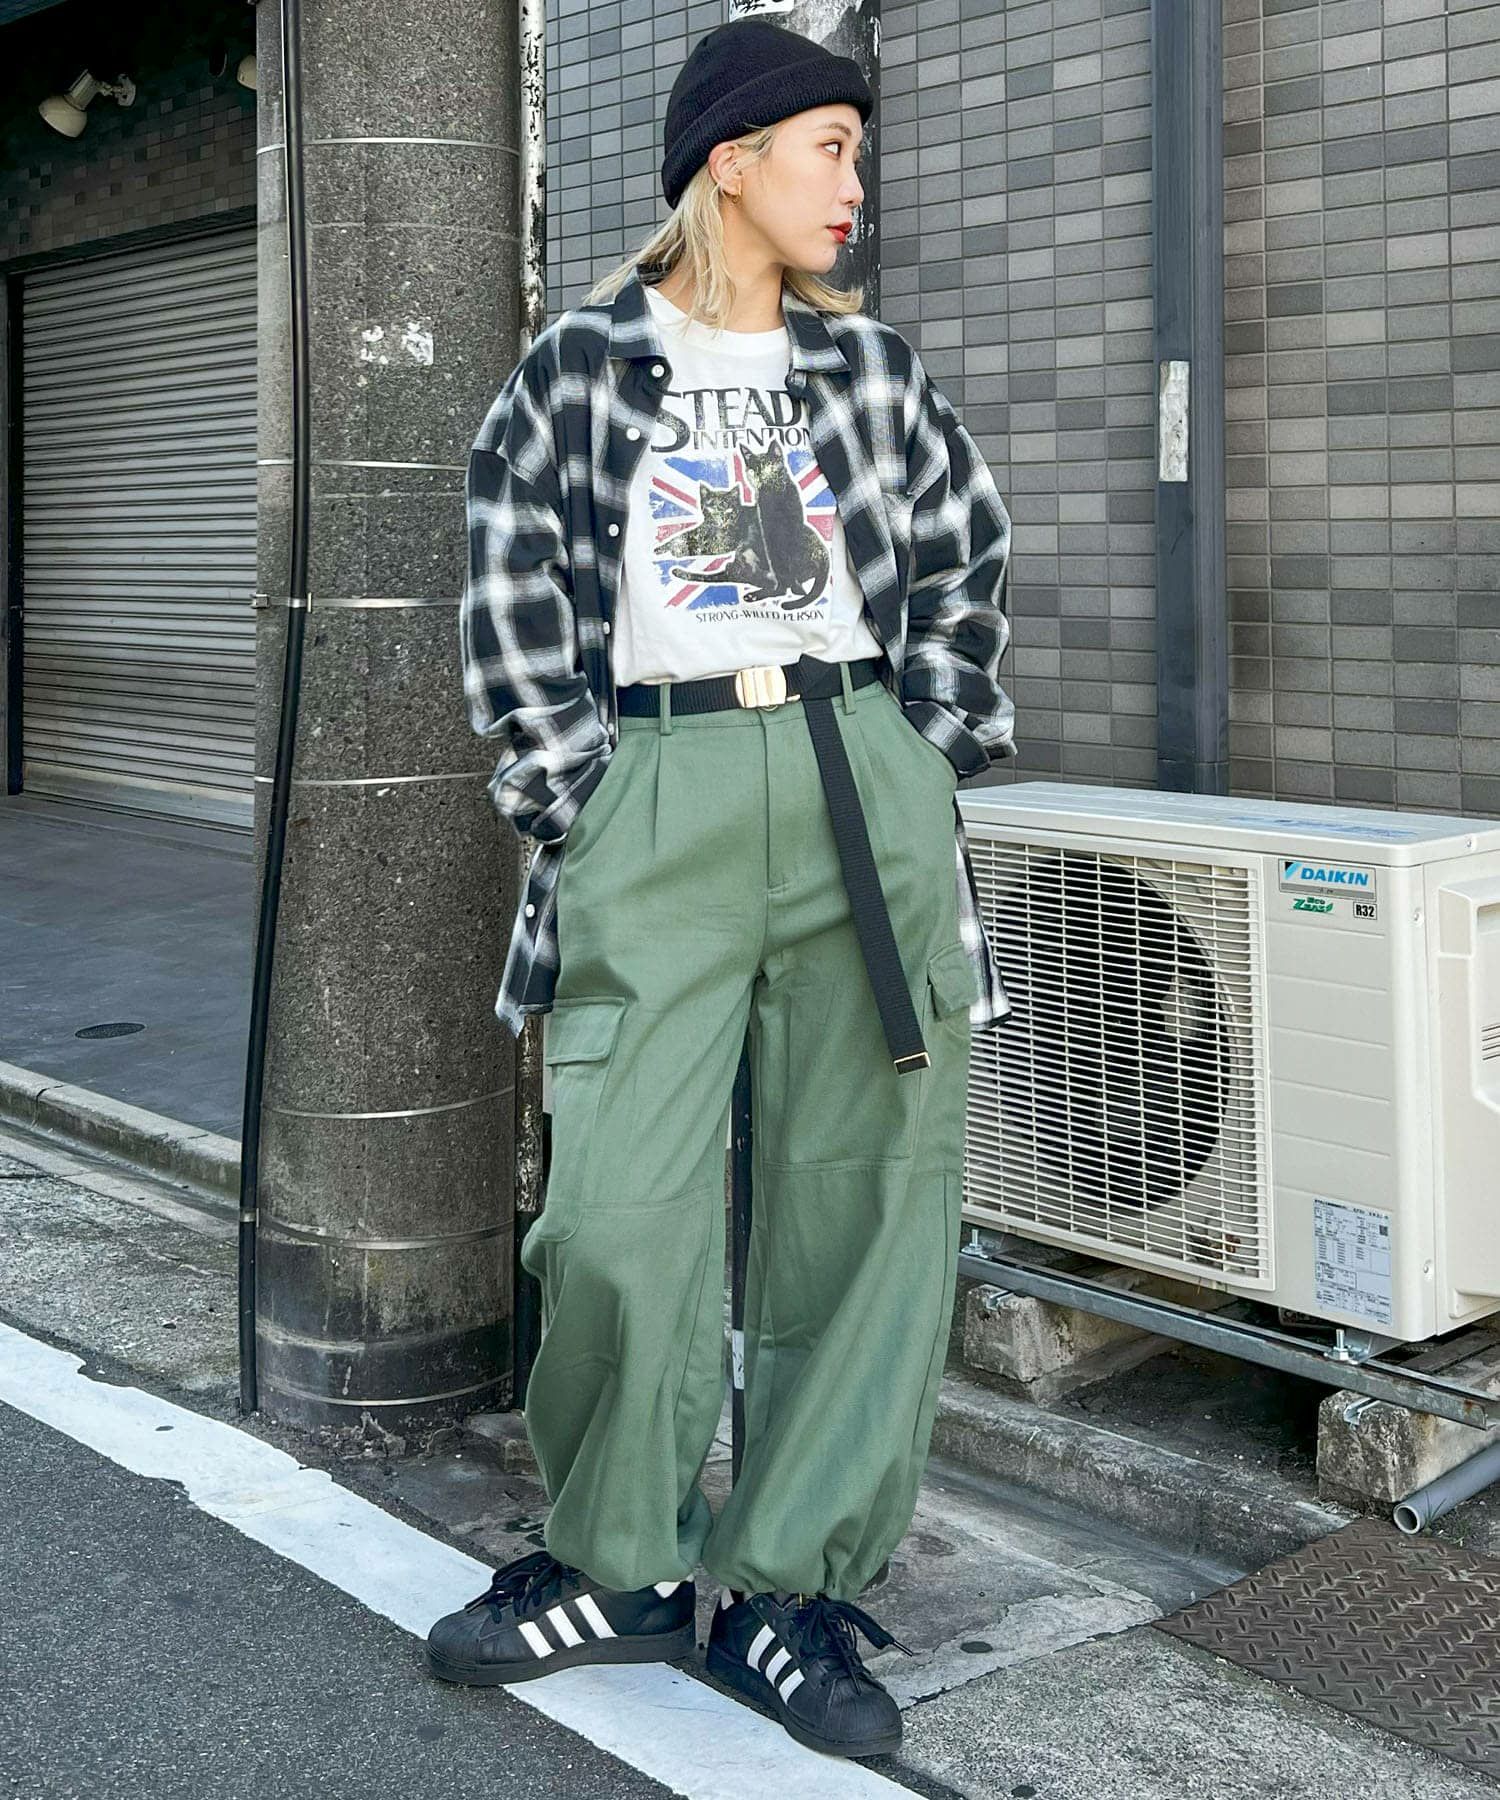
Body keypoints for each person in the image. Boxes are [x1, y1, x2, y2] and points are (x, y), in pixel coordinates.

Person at [427, 16, 1016, 1764]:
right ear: (729, 162)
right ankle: (615, 1561)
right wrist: (578, 797)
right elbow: (509, 580)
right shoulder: (580, 369)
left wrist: (923, 751)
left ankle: (787, 1588)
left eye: (857, 150)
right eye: (829, 146)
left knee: (867, 1196)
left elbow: (967, 556)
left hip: (855, 779)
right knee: (617, 1211)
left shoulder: (875, 373)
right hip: (657, 790)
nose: (856, 182)